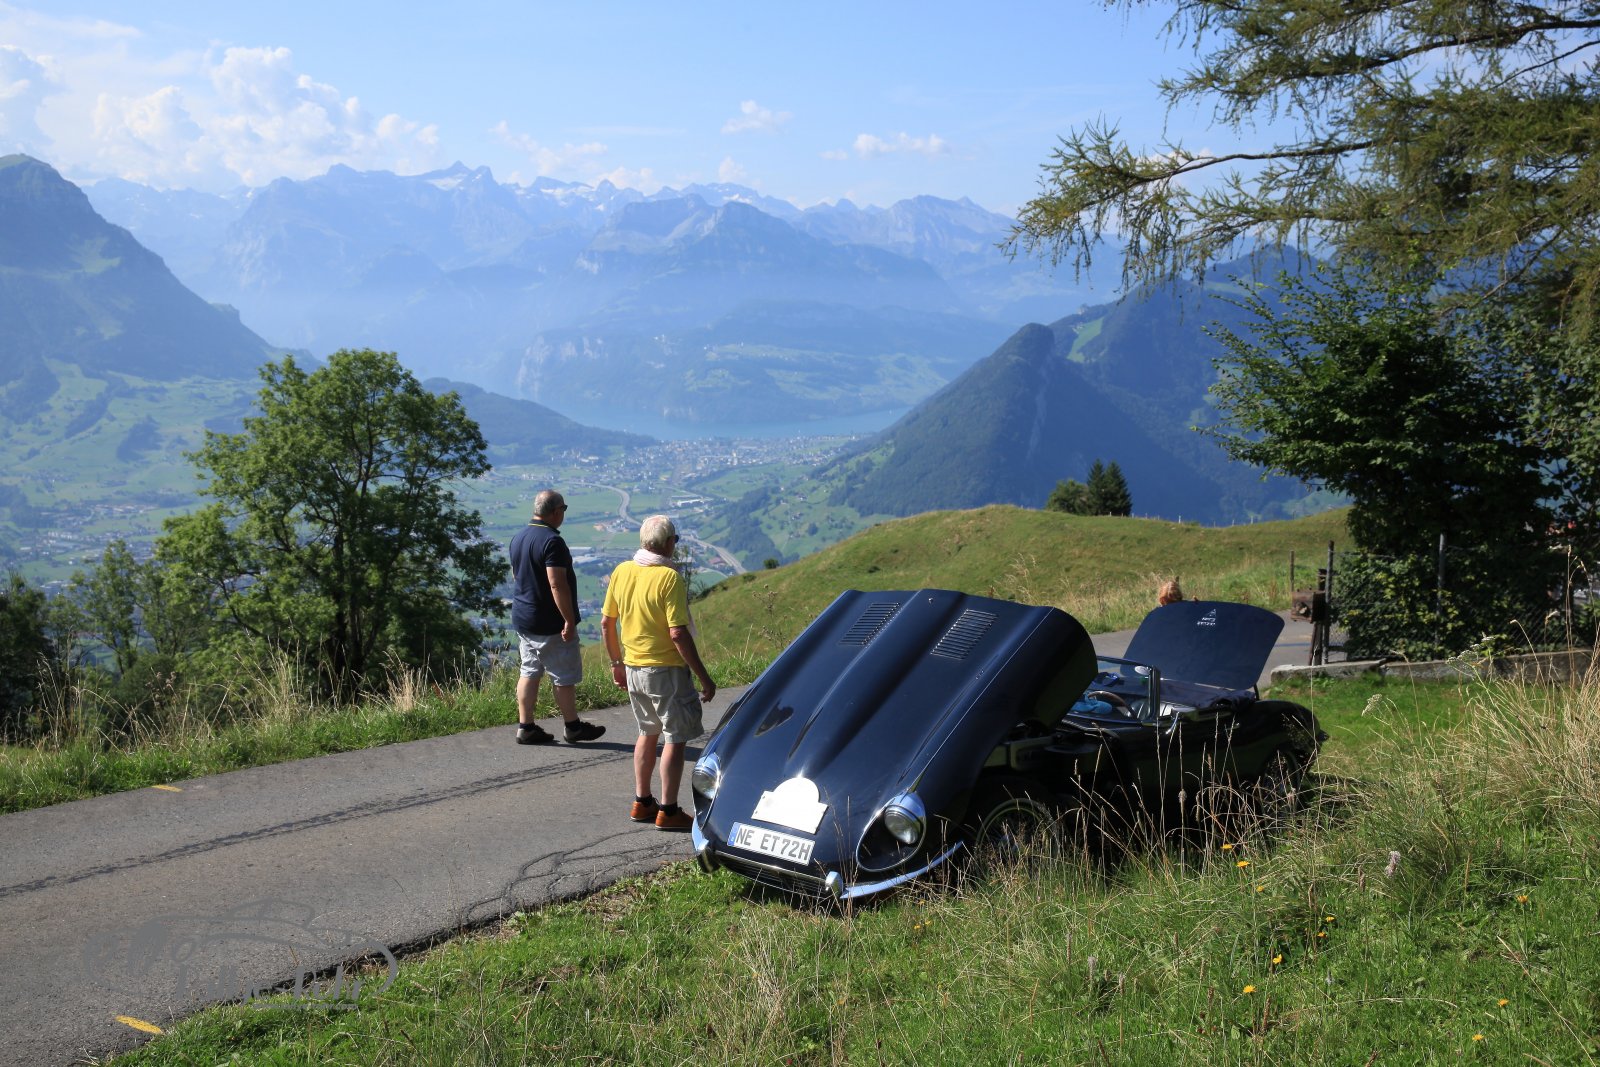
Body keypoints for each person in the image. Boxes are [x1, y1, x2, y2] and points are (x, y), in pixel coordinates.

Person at [601, 515, 715, 831]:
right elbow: (677, 633)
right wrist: (704, 677)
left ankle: (642, 802)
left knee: (647, 732)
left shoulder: (622, 571)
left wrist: (616, 663)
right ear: (667, 543)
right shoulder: (668, 577)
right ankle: (668, 809)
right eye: (675, 540)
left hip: (633, 667)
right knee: (675, 738)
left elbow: (607, 623)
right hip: (665, 670)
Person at [507, 489, 605, 745]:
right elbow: (556, 583)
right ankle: (573, 727)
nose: (563, 513)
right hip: (549, 621)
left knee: (529, 670)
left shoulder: (518, 537)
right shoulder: (552, 541)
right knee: (563, 676)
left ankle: (526, 726)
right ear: (555, 512)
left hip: (524, 618)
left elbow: (517, 576)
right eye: (563, 509)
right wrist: (569, 620)